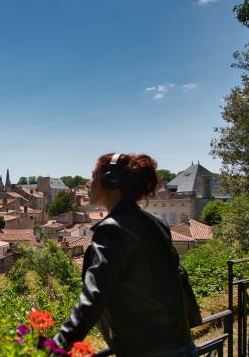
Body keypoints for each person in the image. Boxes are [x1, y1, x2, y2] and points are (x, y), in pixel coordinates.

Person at [54, 153, 199, 357]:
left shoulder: (111, 230)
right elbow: (178, 277)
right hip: (184, 347)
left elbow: (93, 298)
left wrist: (55, 347)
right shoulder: (157, 223)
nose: (88, 183)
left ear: (110, 181)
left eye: (94, 176)